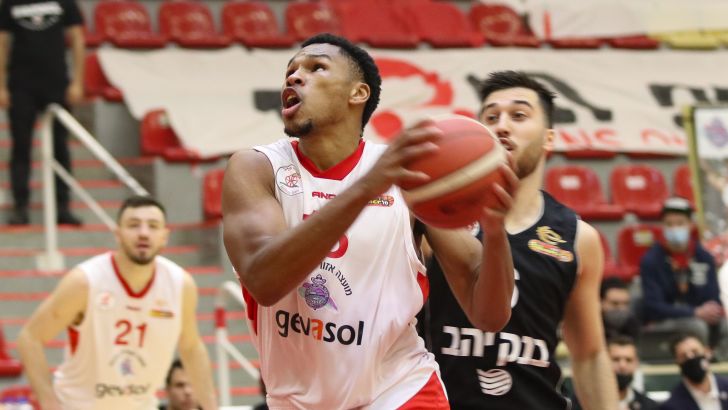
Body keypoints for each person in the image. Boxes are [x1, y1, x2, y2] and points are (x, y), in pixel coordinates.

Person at [222, 33, 517, 409]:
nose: (294, 77)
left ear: (358, 93)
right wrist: (365, 188)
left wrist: (495, 233)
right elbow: (265, 282)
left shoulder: (409, 176)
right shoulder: (257, 168)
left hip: (400, 392)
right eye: (290, 71)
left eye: (316, 67)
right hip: (295, 400)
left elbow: (489, 315)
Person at [417, 71, 619, 409]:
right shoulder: (437, 220)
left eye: (519, 115)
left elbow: (589, 355)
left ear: (548, 138)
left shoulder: (577, 238)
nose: (502, 126)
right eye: (491, 117)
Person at [17, 196, 217, 410]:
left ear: (164, 236)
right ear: (118, 234)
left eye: (153, 226)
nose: (143, 233)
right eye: (133, 225)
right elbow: (29, 338)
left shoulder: (181, 285)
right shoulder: (84, 282)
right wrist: (49, 404)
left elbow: (191, 348)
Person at [0, 0, 84, 226]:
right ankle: (20, 207)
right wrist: (1, 86)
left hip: (57, 85)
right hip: (20, 86)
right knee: (21, 148)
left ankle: (63, 207)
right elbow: (2, 43)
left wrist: (78, 82)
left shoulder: (65, 2)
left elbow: (77, 38)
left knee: (60, 147)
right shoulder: (10, 3)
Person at [641, 197, 728, 359]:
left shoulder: (704, 257)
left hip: (700, 316)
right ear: (662, 226)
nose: (675, 228)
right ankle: (697, 365)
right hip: (666, 320)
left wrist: (713, 310)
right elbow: (653, 306)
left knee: (725, 325)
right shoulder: (651, 260)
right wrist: (694, 312)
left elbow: (713, 297)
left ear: (690, 224)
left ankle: (719, 364)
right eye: (669, 224)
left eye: (680, 223)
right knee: (697, 327)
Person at [660, 333, 728, 410]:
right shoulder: (671, 405)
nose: (691, 357)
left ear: (708, 352)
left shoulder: (726, 386)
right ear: (677, 362)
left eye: (695, 352)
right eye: (684, 356)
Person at [601, 277, 641, 341]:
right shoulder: (590, 328)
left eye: (625, 303)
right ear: (600, 303)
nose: (621, 308)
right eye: (615, 303)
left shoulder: (633, 327)